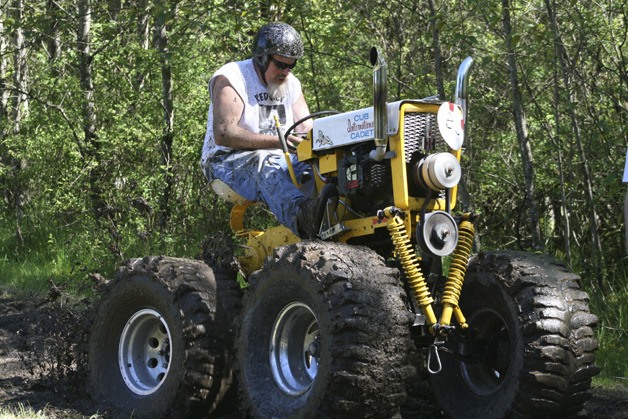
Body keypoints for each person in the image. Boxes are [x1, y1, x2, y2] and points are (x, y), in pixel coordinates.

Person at [201, 22, 337, 239]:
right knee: (263, 160)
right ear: (262, 58)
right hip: (225, 161)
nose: (286, 72)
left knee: (325, 161)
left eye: (292, 66)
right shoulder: (232, 77)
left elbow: (306, 129)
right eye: (281, 65)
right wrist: (278, 141)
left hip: (279, 155)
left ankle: (339, 218)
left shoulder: (291, 83)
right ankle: (305, 219)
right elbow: (223, 133)